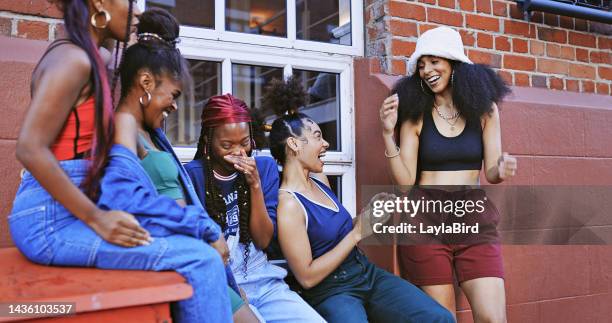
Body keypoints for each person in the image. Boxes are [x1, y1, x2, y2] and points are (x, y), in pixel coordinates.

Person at [9, 2, 231, 322]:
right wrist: (98, 219)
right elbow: (30, 149)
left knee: (196, 244)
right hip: (50, 221)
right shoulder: (74, 59)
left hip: (69, 209)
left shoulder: (90, 57)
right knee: (201, 260)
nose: (138, 12)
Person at [111, 8, 258, 322]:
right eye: (173, 94)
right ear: (145, 83)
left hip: (197, 257)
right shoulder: (124, 129)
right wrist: (203, 231)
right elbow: (127, 204)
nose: (176, 105)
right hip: (181, 262)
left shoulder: (151, 133)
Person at [267, 78, 455, 323]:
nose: (325, 143)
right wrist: (358, 233)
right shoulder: (289, 204)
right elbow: (307, 276)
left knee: (439, 318)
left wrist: (370, 215)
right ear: (294, 144)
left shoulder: (319, 179)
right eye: (317, 136)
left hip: (365, 273)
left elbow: (339, 231)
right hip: (331, 291)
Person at [378, 26, 516, 322]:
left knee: (493, 318)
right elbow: (404, 184)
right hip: (425, 217)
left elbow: (491, 172)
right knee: (442, 319)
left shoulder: (485, 110)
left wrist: (500, 168)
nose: (426, 70)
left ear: (453, 62)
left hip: (473, 215)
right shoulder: (415, 113)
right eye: (422, 64)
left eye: (434, 61)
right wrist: (388, 134)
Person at [185, 93, 326, 322]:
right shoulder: (192, 176)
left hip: (265, 280)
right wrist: (230, 289)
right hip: (225, 284)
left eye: (244, 142)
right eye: (226, 145)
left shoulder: (264, 167)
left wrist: (255, 184)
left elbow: (262, 240)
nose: (239, 152)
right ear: (207, 141)